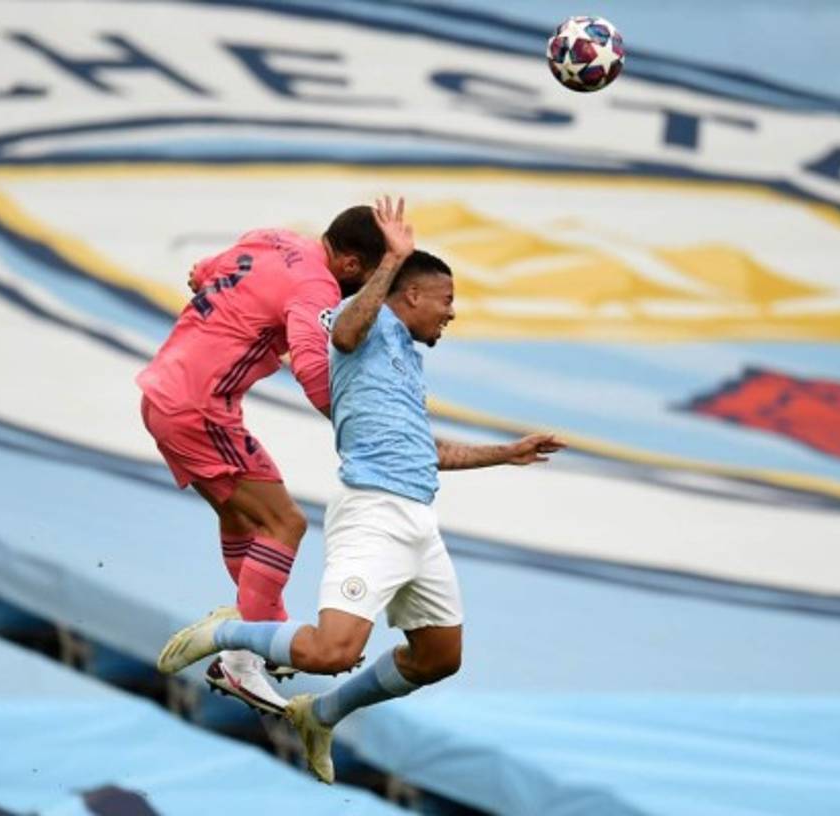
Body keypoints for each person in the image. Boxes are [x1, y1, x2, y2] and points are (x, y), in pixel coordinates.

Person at [157, 197, 565, 783]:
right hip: (373, 511)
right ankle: (224, 636)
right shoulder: (360, 325)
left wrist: (507, 453)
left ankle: (318, 716)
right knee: (332, 652)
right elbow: (343, 331)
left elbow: (425, 451)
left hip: (417, 519)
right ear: (411, 294)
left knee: (438, 659)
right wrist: (390, 262)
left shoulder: (403, 361)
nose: (452, 315)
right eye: (447, 301)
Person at [137, 203, 408, 715]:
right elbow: (311, 369)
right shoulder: (317, 288)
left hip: (166, 392)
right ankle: (242, 659)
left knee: (243, 519)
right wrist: (362, 425)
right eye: (371, 276)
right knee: (284, 523)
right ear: (350, 265)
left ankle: (268, 634)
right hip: (199, 407)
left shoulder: (271, 238)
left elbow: (202, 272)